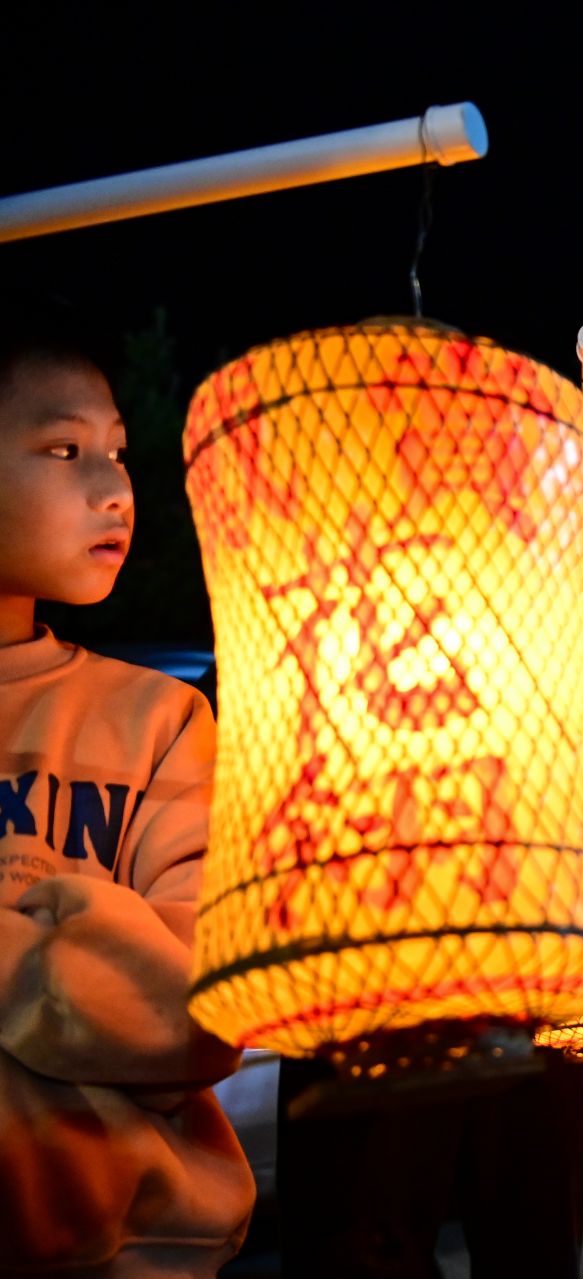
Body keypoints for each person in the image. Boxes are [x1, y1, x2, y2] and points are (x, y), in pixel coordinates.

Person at [0, 303, 254, 1274]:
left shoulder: (159, 722)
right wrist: (73, 941)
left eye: (117, 451)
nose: (116, 489)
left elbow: (202, 1006)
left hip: (140, 1250)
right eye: (65, 451)